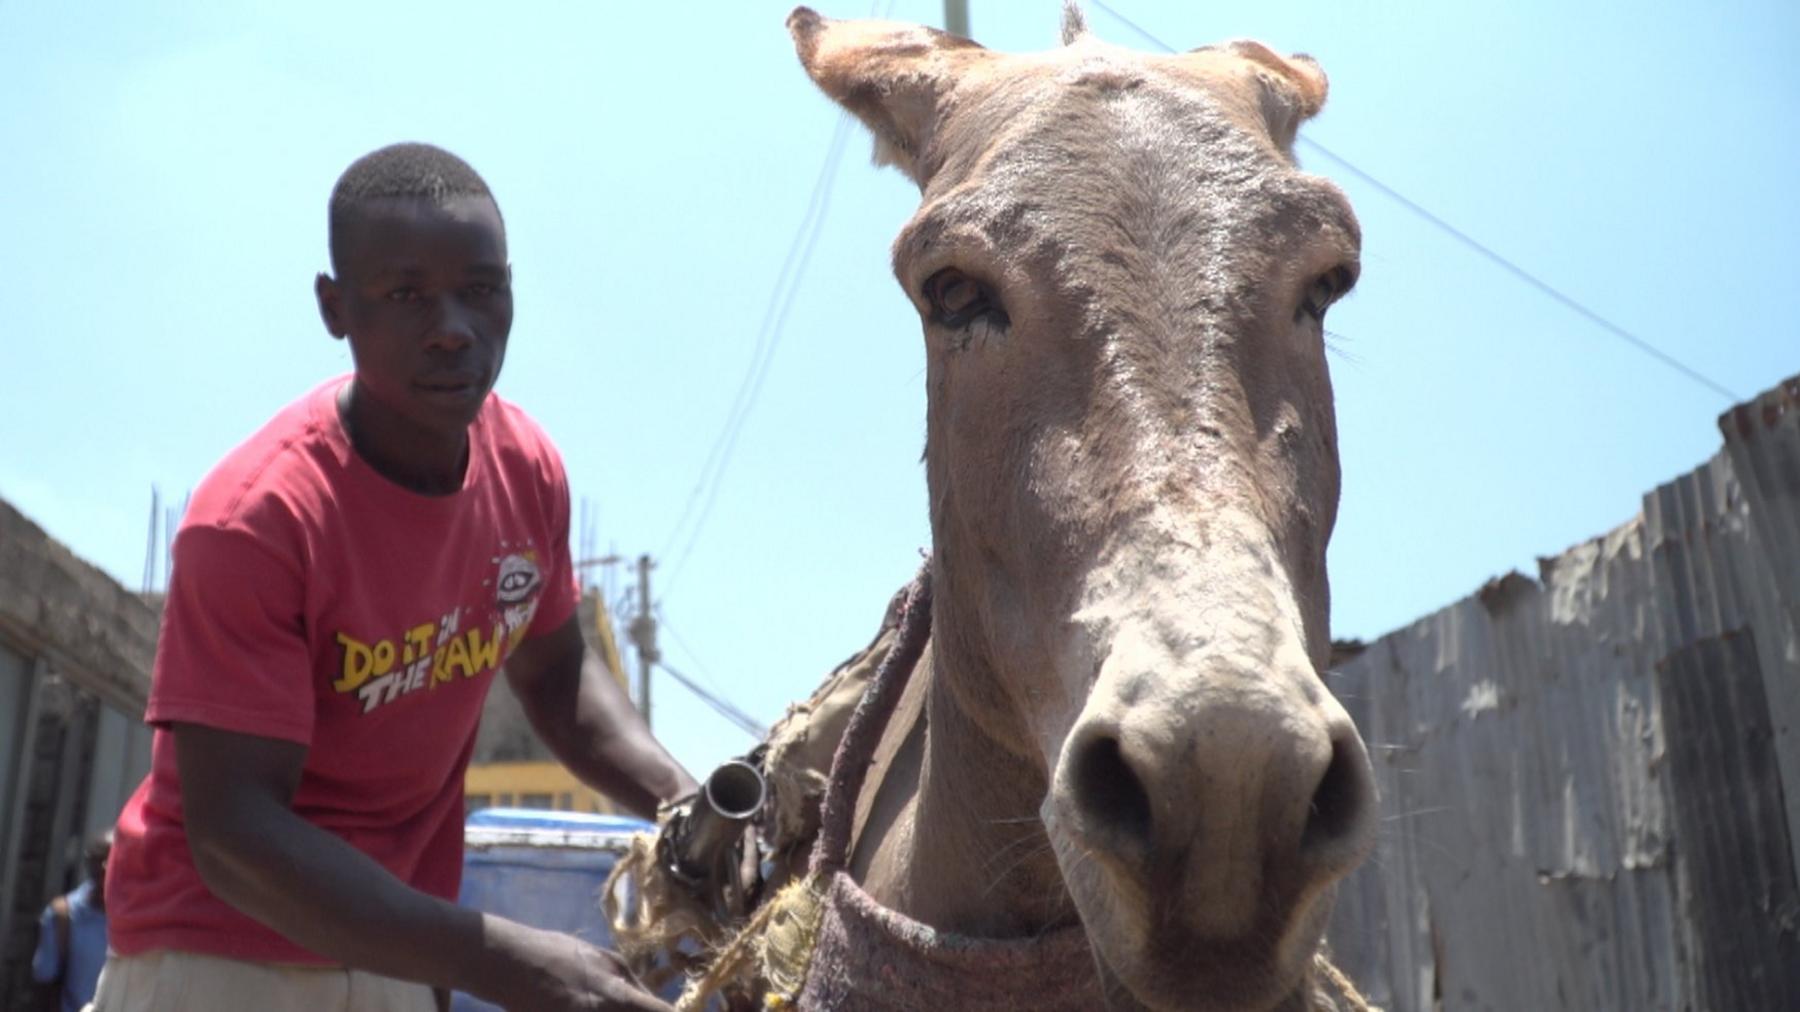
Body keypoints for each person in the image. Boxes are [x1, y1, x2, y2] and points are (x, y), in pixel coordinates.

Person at [93, 142, 698, 1012]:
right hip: (216, 959)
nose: (453, 325)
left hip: (398, 953)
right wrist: (497, 959)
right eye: (406, 294)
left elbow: (559, 676)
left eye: (481, 289)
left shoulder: (526, 467)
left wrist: (685, 805)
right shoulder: (258, 520)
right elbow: (235, 836)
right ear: (336, 309)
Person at [33, 832, 112, 1012]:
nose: (105, 868)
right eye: (99, 859)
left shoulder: (139, 919)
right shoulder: (63, 915)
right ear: (88, 862)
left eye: (113, 860)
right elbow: (45, 984)